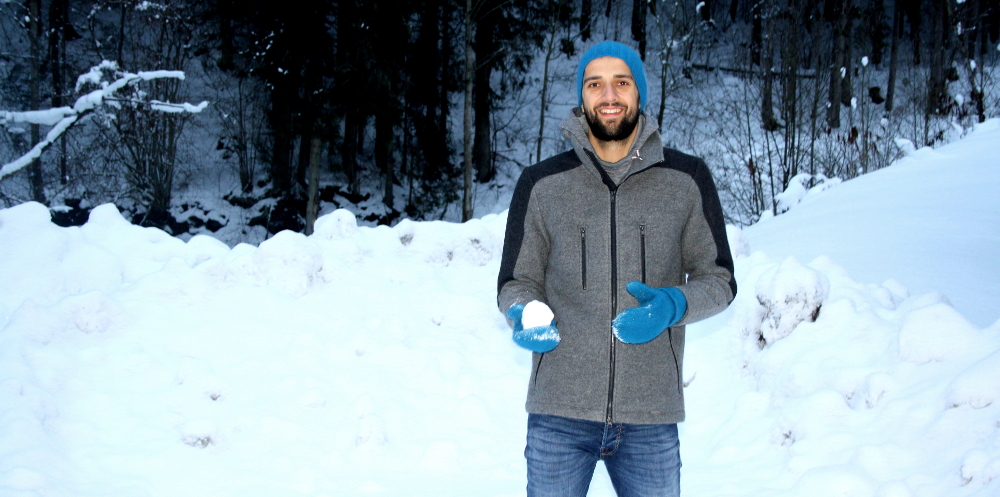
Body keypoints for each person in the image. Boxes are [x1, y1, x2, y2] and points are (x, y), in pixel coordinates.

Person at [496, 40, 737, 497]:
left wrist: (674, 303)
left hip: (651, 415)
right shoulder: (541, 185)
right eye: (595, 84)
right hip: (558, 415)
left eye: (621, 82)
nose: (609, 95)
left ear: (639, 93)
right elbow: (516, 281)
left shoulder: (687, 180)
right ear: (581, 97)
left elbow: (719, 279)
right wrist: (523, 311)